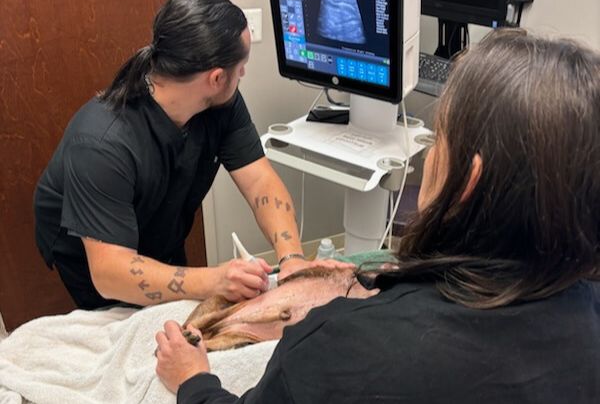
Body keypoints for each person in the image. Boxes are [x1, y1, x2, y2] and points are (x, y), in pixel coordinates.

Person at [155, 28, 600, 403]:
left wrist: (193, 381)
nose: (427, 154)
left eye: (438, 135)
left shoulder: (337, 348)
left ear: (469, 179)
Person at [34, 0, 340, 311]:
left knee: (172, 295)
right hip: (91, 252)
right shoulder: (101, 144)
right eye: (241, 65)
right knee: (123, 314)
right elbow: (110, 273)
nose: (244, 73)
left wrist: (292, 257)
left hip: (158, 227)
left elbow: (259, 180)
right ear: (216, 78)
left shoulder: (223, 105)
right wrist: (214, 281)